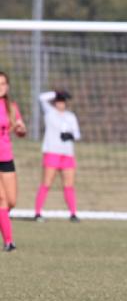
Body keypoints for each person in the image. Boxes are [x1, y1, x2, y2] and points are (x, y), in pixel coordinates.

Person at [34, 89, 81, 222]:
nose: (61, 104)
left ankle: (73, 213)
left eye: (63, 101)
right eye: (58, 101)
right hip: (52, 153)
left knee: (69, 185)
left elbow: (77, 134)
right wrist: (56, 93)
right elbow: (41, 97)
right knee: (46, 183)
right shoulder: (50, 113)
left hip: (67, 154)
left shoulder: (70, 116)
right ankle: (38, 213)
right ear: (55, 102)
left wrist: (70, 135)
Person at [0, 71, 27, 252]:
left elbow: (20, 131)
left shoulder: (11, 106)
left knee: (11, 201)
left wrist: (20, 128)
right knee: (1, 200)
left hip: (6, 158)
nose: (0, 87)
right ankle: (9, 241)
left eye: (3, 83)